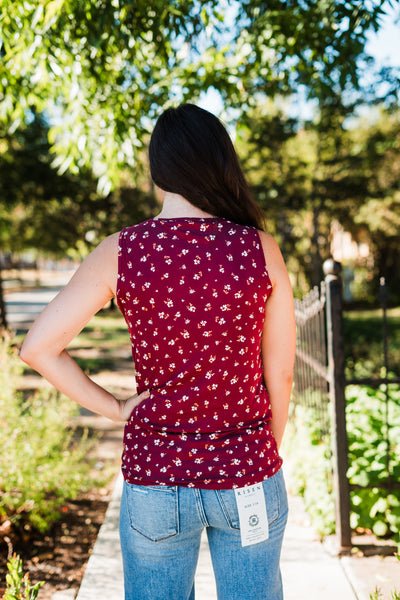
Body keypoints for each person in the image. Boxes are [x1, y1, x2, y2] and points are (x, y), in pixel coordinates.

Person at [20, 103, 296, 600]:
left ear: (157, 172)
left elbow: (39, 348)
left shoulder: (122, 250)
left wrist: (117, 408)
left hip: (156, 478)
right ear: (220, 163)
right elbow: (281, 373)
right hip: (247, 476)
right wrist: (264, 451)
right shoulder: (259, 248)